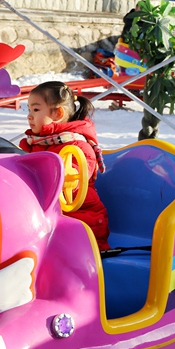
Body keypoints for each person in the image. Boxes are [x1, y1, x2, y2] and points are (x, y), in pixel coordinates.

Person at [20, 82, 109, 249]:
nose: (29, 116)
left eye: (36, 110)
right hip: (49, 219)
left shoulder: (78, 147)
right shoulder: (36, 144)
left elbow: (70, 189)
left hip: (81, 222)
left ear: (58, 113)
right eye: (29, 110)